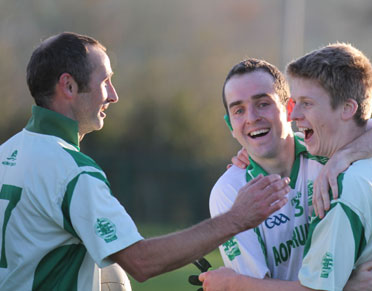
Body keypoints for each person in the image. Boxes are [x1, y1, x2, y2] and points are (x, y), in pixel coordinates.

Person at [0, 32, 292, 290]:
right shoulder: (72, 171)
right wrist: (236, 218)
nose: (113, 95)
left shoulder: (6, 153)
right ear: (69, 86)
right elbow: (141, 262)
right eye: (105, 81)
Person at [200, 51, 372, 290]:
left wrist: (344, 156)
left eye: (263, 104)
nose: (252, 118)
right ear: (230, 124)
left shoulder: (331, 152)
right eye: (239, 110)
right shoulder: (229, 191)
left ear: (289, 108)